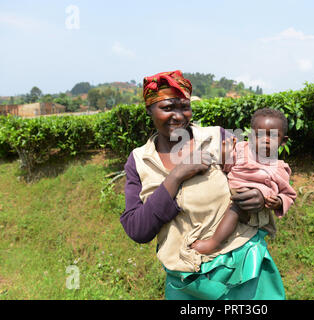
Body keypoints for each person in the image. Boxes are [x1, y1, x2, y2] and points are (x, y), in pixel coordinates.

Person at [120, 70, 286, 300]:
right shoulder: (139, 161)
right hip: (186, 283)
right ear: (149, 109)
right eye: (167, 108)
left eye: (184, 107)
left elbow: (266, 167)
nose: (178, 116)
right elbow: (138, 230)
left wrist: (260, 195)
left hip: (242, 268)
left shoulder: (216, 138)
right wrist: (176, 175)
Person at [191, 108, 297, 255]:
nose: (265, 140)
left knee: (236, 209)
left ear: (283, 141)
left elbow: (289, 195)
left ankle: (214, 243)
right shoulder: (241, 150)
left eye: (272, 136)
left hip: (250, 208)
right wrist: (224, 154)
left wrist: (279, 201)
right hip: (230, 192)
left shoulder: (280, 169)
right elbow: (226, 167)